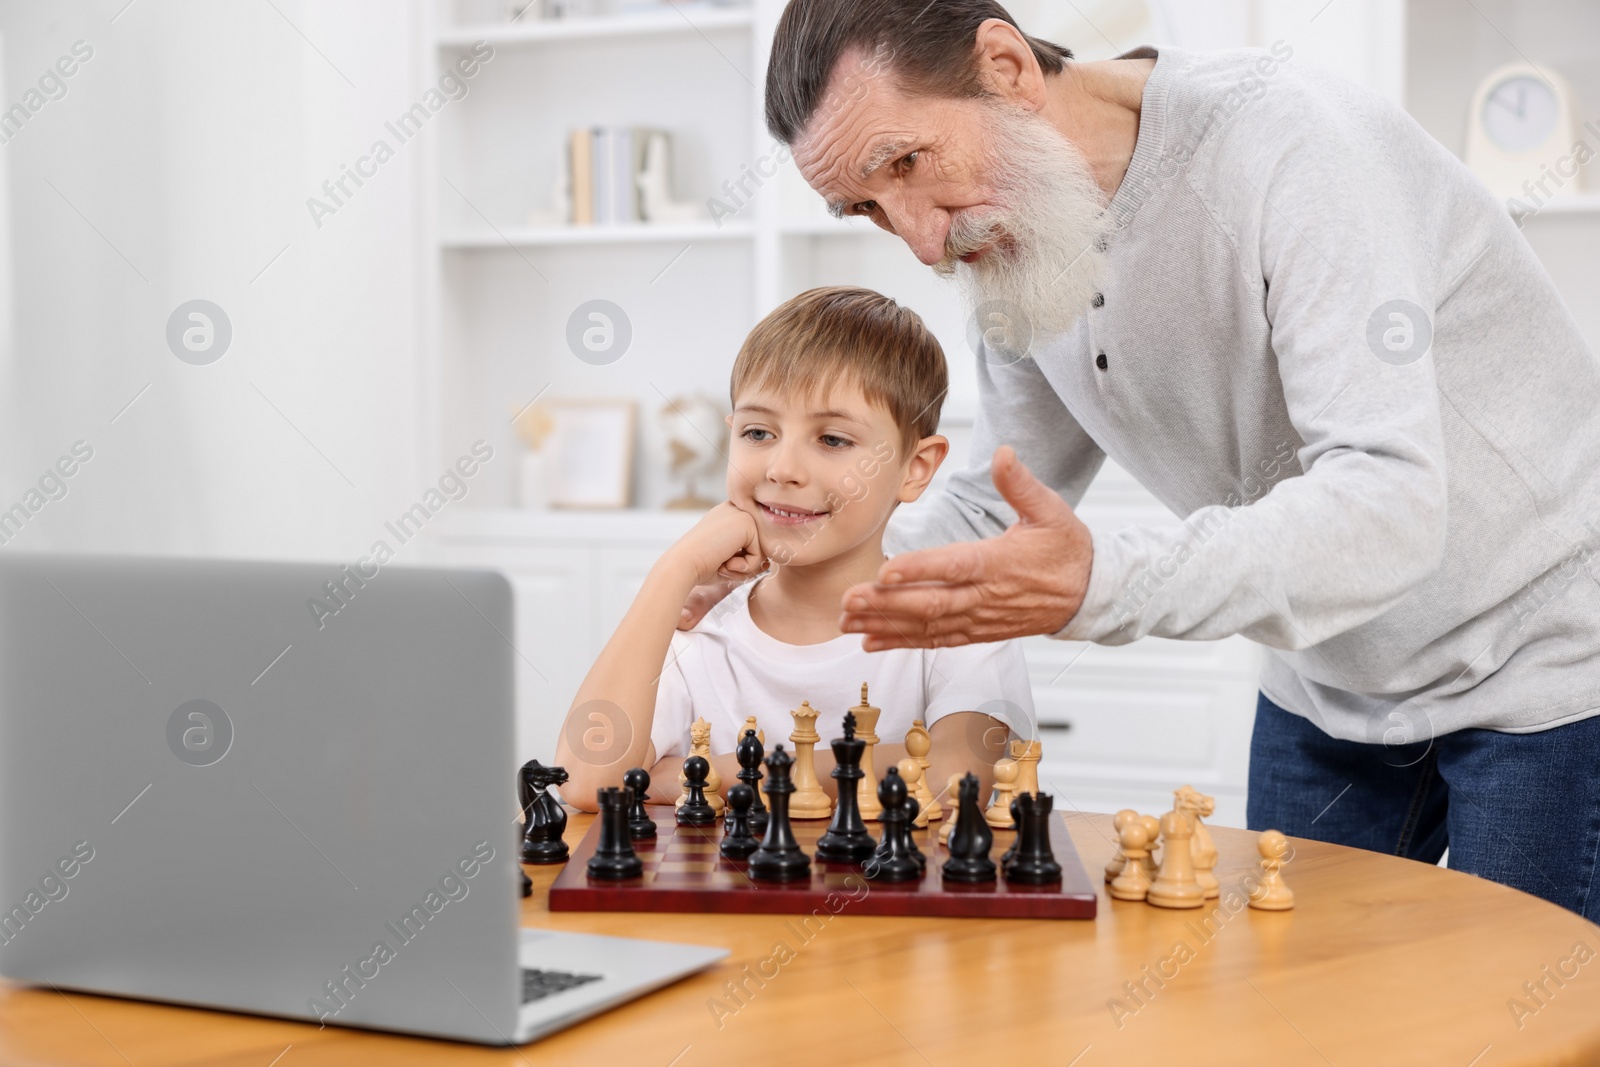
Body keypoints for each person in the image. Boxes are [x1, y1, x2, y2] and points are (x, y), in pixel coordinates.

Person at [679, 0, 1600, 919]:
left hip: (1541, 667)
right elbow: (996, 502)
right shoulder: (1013, 239)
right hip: (1325, 678)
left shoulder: (1296, 152)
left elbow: (1387, 502)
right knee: (1302, 1019)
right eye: (870, 207)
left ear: (1005, 68)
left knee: (1520, 1033)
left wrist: (1100, 581)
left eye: (910, 163)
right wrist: (789, 565)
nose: (922, 241)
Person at [555, 286, 1034, 810]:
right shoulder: (699, 629)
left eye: (833, 440)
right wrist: (674, 570)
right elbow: (585, 780)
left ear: (915, 469)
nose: (782, 469)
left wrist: (686, 776)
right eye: (758, 432)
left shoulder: (964, 624)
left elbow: (950, 780)